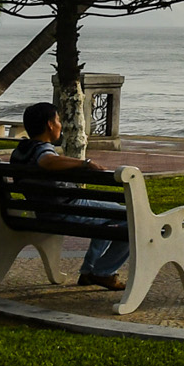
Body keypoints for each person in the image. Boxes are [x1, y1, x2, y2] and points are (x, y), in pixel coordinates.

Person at [12, 101, 129, 291]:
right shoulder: (43, 150)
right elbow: (47, 162)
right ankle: (102, 272)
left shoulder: (20, 152)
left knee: (112, 214)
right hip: (66, 210)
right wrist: (84, 163)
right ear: (50, 125)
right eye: (58, 120)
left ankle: (89, 271)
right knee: (130, 218)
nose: (60, 124)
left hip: (46, 211)